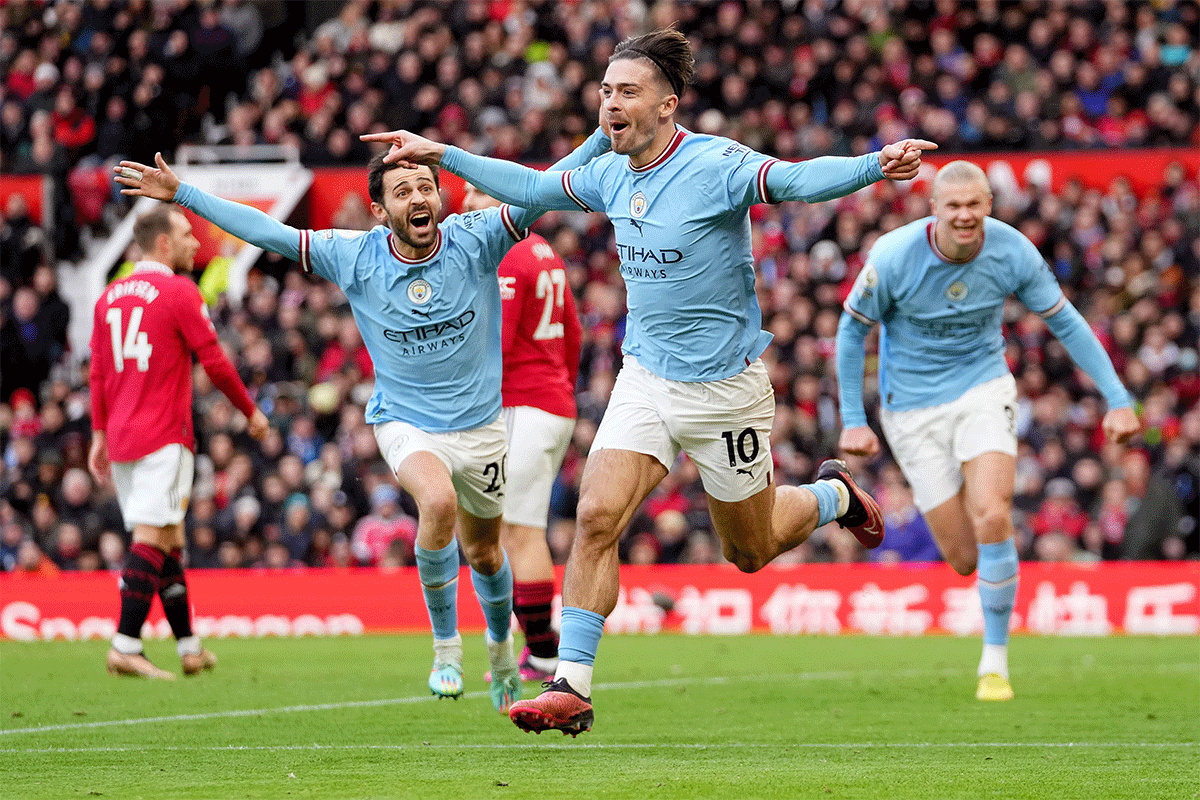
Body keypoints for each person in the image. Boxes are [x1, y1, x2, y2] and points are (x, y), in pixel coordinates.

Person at [364, 27, 935, 735]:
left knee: (748, 551)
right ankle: (570, 684)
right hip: (646, 378)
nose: (610, 104)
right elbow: (535, 187)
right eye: (605, 91)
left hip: (725, 389)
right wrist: (442, 154)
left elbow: (792, 179)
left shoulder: (715, 164)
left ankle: (830, 496)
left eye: (626, 92)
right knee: (598, 516)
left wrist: (873, 166)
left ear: (668, 104)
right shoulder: (608, 170)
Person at [114, 128, 610, 712]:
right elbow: (266, 232)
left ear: (442, 197)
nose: (418, 198)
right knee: (438, 503)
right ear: (379, 209)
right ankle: (446, 645)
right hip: (405, 421)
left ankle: (502, 647)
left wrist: (604, 136)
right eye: (402, 192)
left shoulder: (478, 238)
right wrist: (183, 195)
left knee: (486, 553)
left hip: (481, 429)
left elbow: (550, 186)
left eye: (426, 185)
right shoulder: (355, 254)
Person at [834, 160, 1140, 702]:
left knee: (993, 512)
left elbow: (1065, 320)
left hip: (983, 388)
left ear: (989, 206)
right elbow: (851, 331)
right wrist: (854, 420)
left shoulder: (1012, 250)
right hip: (910, 411)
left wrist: (1117, 398)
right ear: (933, 208)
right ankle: (857, 502)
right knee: (963, 558)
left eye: (974, 204)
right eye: (952, 205)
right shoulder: (894, 257)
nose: (964, 215)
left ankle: (994, 663)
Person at [88, 204, 270, 680]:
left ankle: (189, 647)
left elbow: (98, 372)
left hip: (123, 438)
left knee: (169, 539)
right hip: (164, 435)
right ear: (163, 244)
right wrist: (251, 412)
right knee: (152, 536)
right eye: (188, 235)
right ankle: (125, 644)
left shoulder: (108, 297)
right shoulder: (177, 291)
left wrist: (98, 433)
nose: (196, 243)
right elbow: (214, 360)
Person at [462, 183, 581, 683]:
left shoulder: (508, 256)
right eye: (465, 193)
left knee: (519, 531)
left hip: (524, 404)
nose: (467, 203)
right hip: (549, 402)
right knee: (515, 529)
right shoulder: (543, 251)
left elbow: (497, 346)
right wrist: (560, 388)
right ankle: (538, 650)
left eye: (478, 194)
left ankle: (544, 655)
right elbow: (573, 335)